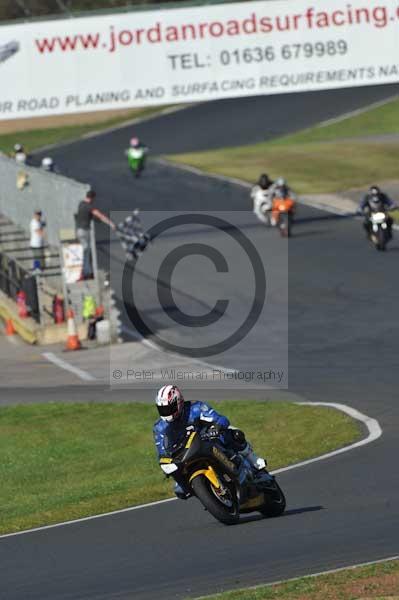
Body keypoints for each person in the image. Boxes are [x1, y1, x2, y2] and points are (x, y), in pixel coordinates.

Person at [153, 385, 267, 500]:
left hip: (208, 440)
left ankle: (254, 460)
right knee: (180, 490)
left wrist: (216, 427)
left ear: (179, 402)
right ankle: (209, 494)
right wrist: (166, 462)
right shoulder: (160, 427)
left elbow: (221, 419)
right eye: (162, 409)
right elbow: (162, 452)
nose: (166, 412)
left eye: (169, 408)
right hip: (185, 454)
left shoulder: (195, 408)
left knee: (235, 434)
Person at [75, 189, 116, 280]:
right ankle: (86, 271)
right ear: (92, 198)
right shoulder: (89, 207)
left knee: (86, 250)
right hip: (85, 231)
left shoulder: (81, 204)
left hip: (78, 230)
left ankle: (87, 270)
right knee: (86, 250)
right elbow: (100, 216)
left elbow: (86, 216)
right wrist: (111, 224)